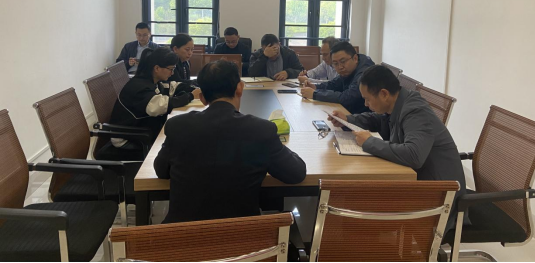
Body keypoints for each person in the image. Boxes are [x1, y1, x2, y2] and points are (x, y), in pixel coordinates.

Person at [154, 60, 307, 223]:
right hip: (241, 235)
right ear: (240, 88)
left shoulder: (177, 126)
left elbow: (161, 171)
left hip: (182, 235)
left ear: (202, 98)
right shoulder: (261, 130)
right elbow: (296, 174)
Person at [328, 65, 467, 229]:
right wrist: (348, 120)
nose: (365, 104)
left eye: (367, 99)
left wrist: (369, 142)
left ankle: (362, 240)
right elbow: (378, 119)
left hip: (439, 197)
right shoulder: (398, 103)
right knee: (354, 196)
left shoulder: (415, 111)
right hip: (418, 183)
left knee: (358, 201)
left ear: (384, 94)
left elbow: (414, 155)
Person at [110, 47, 193, 149]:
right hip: (128, 138)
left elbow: (171, 87)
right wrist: (190, 96)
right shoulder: (139, 87)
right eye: (171, 69)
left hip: (142, 129)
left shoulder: (151, 81)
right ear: (157, 68)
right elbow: (159, 106)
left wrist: (192, 88)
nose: (172, 73)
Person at [300, 42, 375, 114]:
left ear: (355, 58)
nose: (340, 67)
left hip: (363, 118)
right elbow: (334, 84)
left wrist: (315, 94)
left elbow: (348, 97)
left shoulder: (365, 73)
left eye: (343, 61)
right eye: (335, 64)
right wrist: (315, 87)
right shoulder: (348, 70)